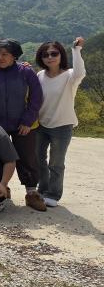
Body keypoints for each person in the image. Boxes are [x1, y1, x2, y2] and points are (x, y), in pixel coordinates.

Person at [0, 39, 46, 211]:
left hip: (22, 124)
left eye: (4, 54)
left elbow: (36, 97)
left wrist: (28, 121)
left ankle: (32, 193)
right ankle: (2, 188)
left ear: (14, 56)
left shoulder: (26, 72)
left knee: (27, 157)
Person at [35, 37, 86, 207]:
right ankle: (42, 189)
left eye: (54, 53)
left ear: (60, 55)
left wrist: (76, 50)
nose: (49, 57)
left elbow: (81, 73)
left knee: (56, 163)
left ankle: (53, 194)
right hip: (41, 124)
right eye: (45, 54)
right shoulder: (40, 75)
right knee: (38, 159)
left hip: (62, 125)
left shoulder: (70, 76)